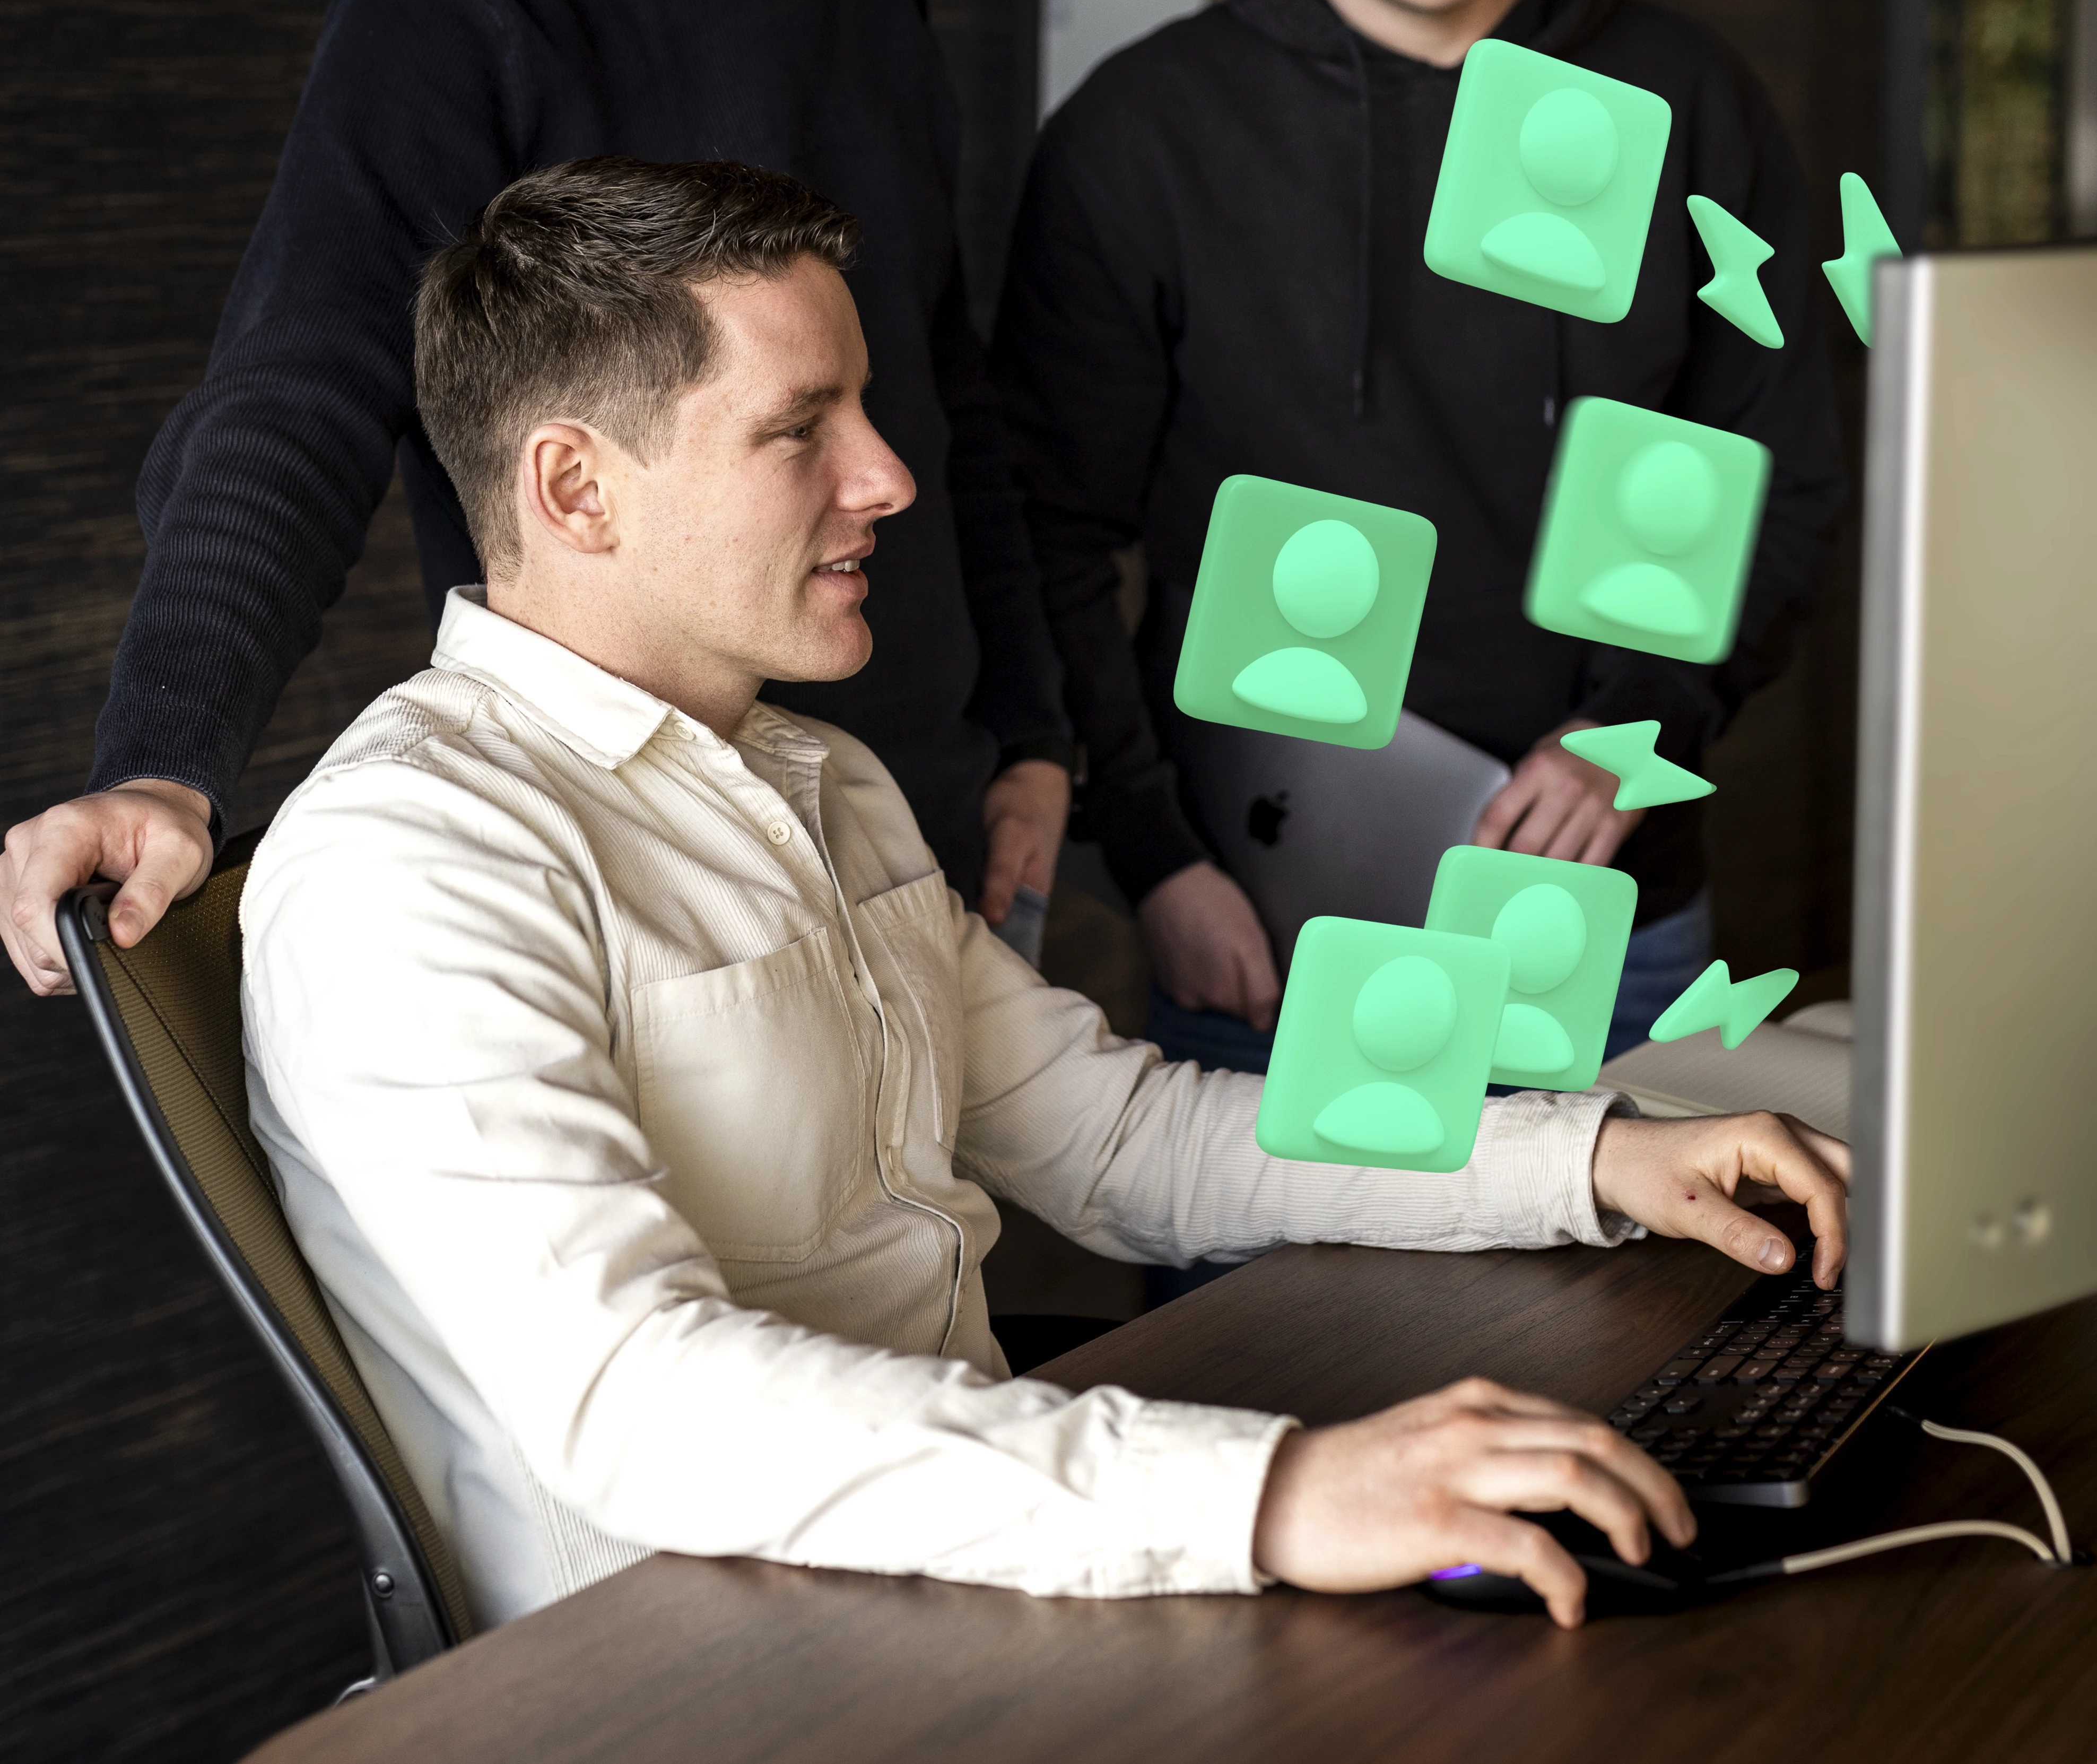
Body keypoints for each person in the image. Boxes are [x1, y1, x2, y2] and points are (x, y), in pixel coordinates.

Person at [239, 152, 1849, 1631]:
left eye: (865, 411)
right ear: (577, 491)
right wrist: (1276, 1493)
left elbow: (1120, 1136)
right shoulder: (414, 863)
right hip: (696, 1660)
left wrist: (1594, 1158)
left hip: (955, 1566)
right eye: (802, 429)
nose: (887, 478)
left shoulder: (823, 780)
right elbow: (637, 1405)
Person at [2, 0, 1072, 996]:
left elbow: (941, 385)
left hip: (916, 822)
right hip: (645, 884)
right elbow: (299, 390)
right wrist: (167, 758)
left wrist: (1033, 733)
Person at [993, 0, 1846, 1063]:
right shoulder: (1147, 138)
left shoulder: (1681, 97)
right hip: (1281, 940)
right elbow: (1052, 531)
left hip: (1615, 926)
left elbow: (1773, 462)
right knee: (1284, 1317)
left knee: (1664, 1308)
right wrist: (1158, 861)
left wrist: (1640, 728)